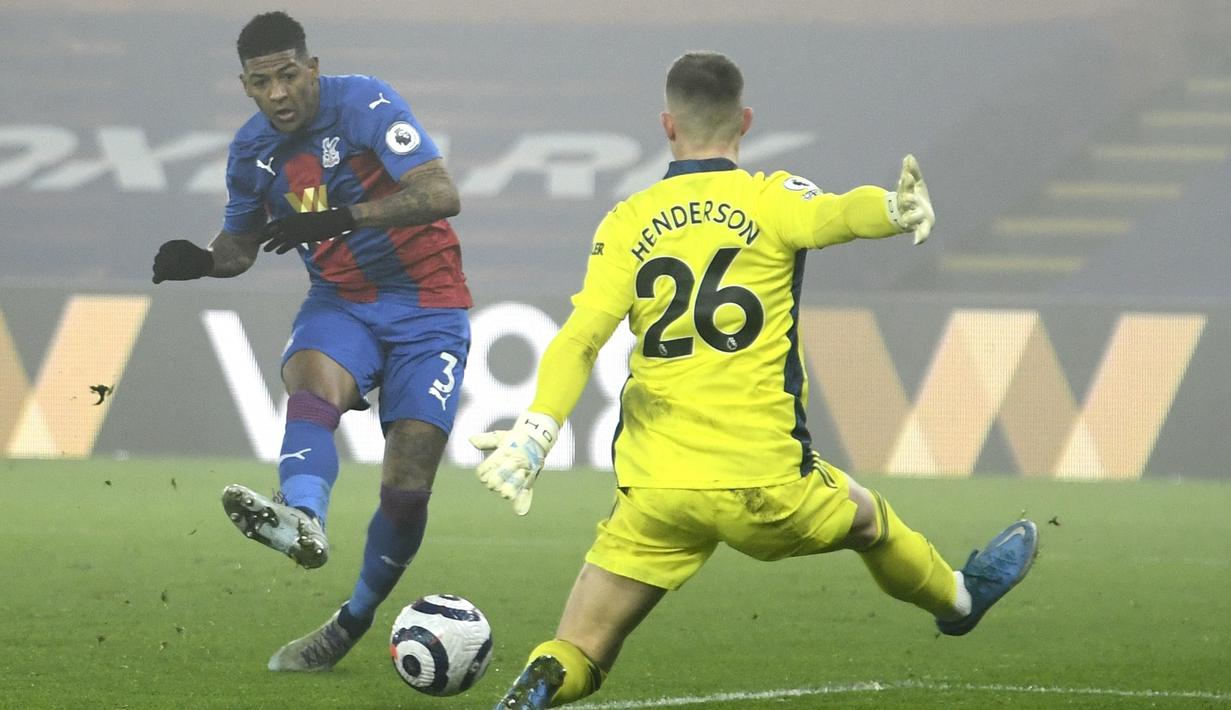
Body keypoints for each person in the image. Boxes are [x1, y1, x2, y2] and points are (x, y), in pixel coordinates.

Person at [470, 51, 1038, 709]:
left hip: (658, 487)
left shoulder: (627, 222)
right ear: (745, 121)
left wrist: (537, 430)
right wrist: (891, 207)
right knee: (869, 522)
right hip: (763, 481)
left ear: (665, 125)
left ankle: (540, 682)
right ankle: (959, 600)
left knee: (580, 645)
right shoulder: (770, 197)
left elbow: (579, 339)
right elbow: (835, 215)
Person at [150, 11, 472, 672]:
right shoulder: (251, 154)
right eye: (262, 81)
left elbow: (442, 193)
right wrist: (204, 262)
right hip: (342, 303)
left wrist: (343, 216)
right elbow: (240, 246)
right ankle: (301, 517)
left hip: (429, 308)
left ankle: (350, 621)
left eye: (289, 75)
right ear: (244, 86)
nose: (278, 93)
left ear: (312, 69)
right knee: (309, 380)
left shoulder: (366, 104)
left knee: (407, 488)